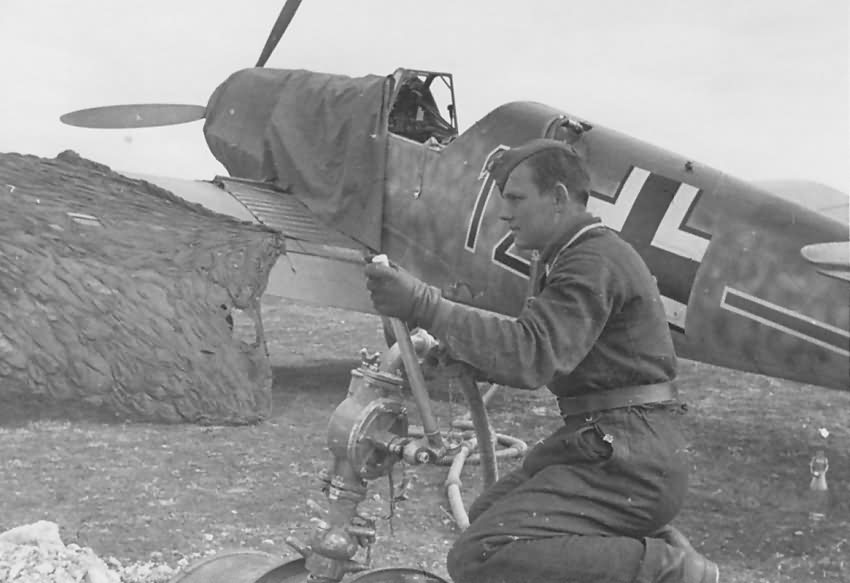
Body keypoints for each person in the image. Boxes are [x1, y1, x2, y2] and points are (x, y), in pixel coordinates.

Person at [363, 138, 720, 583]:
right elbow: (549, 345)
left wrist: (425, 305)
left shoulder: (592, 259)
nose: (504, 213)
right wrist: (464, 358)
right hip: (615, 443)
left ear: (558, 198)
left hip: (630, 460)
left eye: (516, 198)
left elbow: (532, 353)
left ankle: (674, 571)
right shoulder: (574, 256)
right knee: (488, 516)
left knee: (482, 554)